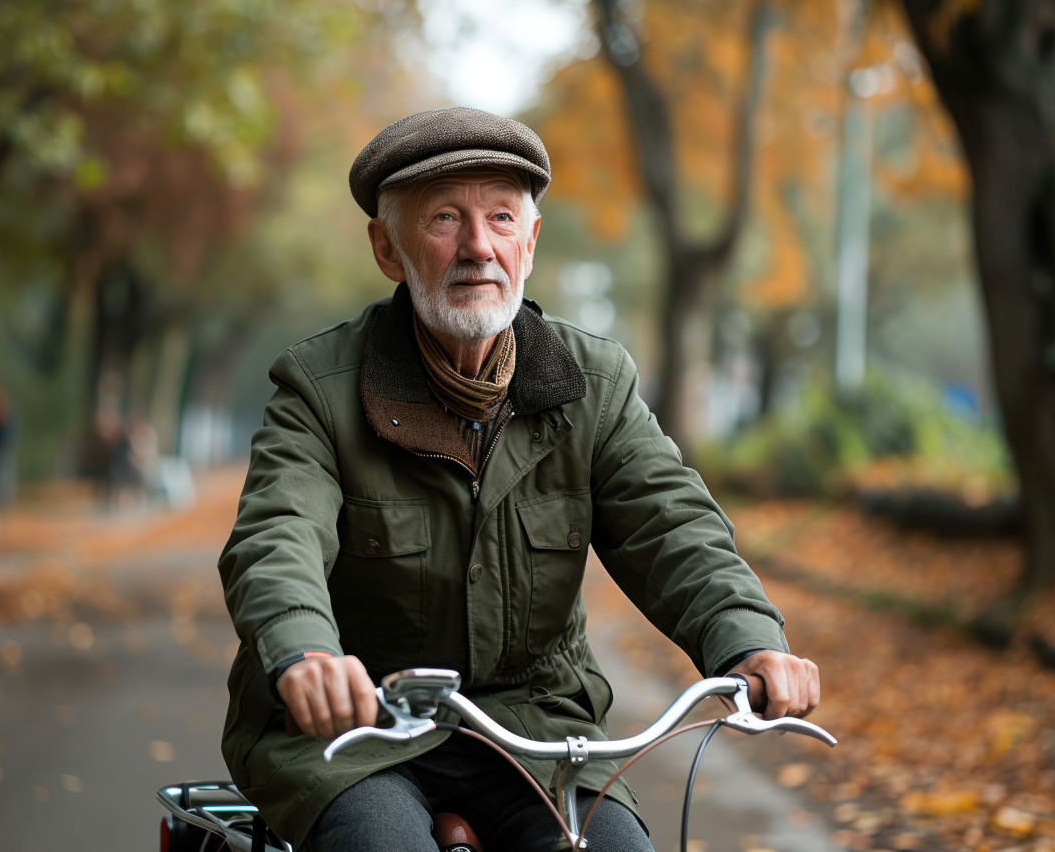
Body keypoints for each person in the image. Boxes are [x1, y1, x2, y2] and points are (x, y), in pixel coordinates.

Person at [218, 107, 821, 852]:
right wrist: (304, 653)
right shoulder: (319, 388)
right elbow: (277, 535)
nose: (478, 246)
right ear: (387, 247)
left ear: (529, 242)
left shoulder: (596, 385)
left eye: (501, 217)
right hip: (356, 731)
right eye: (444, 218)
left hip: (537, 732)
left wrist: (750, 643)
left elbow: (674, 527)